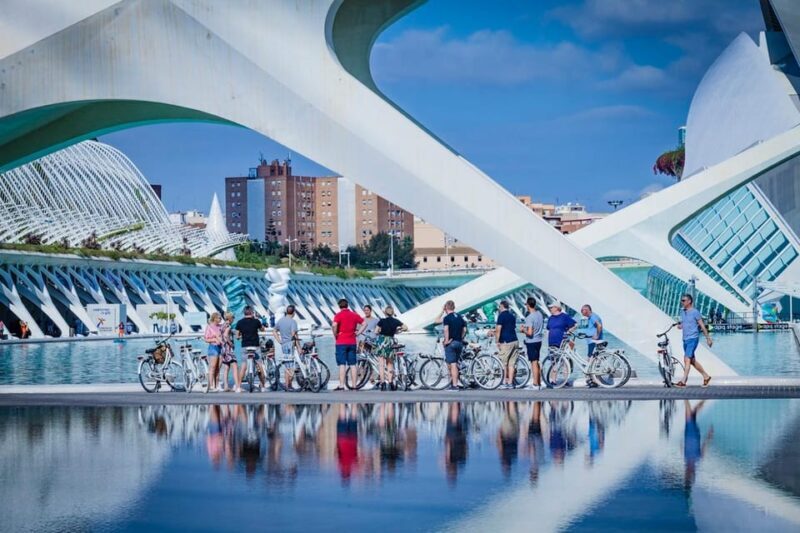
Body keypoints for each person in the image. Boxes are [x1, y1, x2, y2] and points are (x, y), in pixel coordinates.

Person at [675, 294, 713, 387]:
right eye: (682, 300)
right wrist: (681, 326)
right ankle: (706, 376)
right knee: (692, 360)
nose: (682, 302)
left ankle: (683, 381)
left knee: (686, 359)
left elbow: (702, 326)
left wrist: (708, 338)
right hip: (685, 339)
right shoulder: (682, 311)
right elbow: (685, 323)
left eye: (684, 300)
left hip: (693, 339)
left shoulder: (695, 312)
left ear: (689, 301)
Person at [332, 298, 363, 391]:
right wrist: (358, 333)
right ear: (347, 305)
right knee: (353, 364)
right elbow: (364, 323)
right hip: (352, 341)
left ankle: (341, 385)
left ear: (339, 306)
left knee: (342, 364)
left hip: (341, 342)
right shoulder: (354, 315)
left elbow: (334, 325)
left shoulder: (338, 315)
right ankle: (354, 386)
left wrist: (335, 334)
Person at [374, 306, 407, 390]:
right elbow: (405, 327)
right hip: (390, 341)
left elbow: (376, 331)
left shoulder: (382, 321)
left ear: (385, 313)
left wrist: (380, 332)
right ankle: (390, 382)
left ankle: (382, 383)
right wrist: (397, 330)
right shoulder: (396, 321)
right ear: (392, 313)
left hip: (382, 341)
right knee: (390, 363)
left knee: (381, 364)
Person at [236, 306, 267, 391]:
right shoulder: (256, 321)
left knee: (243, 366)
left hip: (245, 346)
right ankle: (263, 386)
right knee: (259, 365)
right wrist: (259, 322)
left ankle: (238, 387)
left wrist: (240, 336)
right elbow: (263, 330)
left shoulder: (240, 322)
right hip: (255, 346)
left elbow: (237, 336)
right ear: (252, 312)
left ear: (244, 313)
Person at [442, 300, 467, 391]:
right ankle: (455, 382)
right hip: (459, 342)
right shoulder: (460, 317)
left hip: (451, 343)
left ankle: (455, 385)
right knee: (455, 364)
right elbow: (464, 329)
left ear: (446, 308)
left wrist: (447, 340)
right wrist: (461, 337)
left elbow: (446, 330)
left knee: (452, 365)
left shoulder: (447, 318)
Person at [274, 305, 300, 391]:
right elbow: (294, 334)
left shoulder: (280, 321)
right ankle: (289, 385)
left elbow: (274, 331)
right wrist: (298, 346)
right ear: (294, 312)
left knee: (286, 364)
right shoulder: (293, 322)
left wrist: (279, 341)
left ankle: (287, 385)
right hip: (290, 344)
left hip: (284, 345)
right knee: (291, 365)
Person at [520, 297, 544, 389]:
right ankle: (538, 383)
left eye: (526, 304)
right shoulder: (539, 314)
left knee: (533, 362)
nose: (526, 306)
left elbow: (530, 333)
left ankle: (535, 384)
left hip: (531, 341)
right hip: (539, 340)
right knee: (537, 362)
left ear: (528, 305)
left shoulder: (529, 317)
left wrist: (523, 330)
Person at [495, 300, 518, 389]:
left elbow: (499, 329)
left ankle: (504, 382)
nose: (499, 309)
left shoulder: (501, 316)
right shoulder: (512, 316)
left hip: (506, 342)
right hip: (515, 340)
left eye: (499, 307)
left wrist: (497, 341)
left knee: (504, 363)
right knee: (511, 363)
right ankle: (510, 383)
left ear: (501, 306)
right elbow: (510, 328)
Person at [580, 304, 603, 388]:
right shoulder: (590, 317)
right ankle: (594, 380)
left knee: (590, 361)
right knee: (593, 361)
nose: (581, 312)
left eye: (582, 310)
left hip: (593, 342)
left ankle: (593, 380)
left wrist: (596, 335)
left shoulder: (593, 316)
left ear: (587, 310)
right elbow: (585, 328)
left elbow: (599, 326)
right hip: (591, 342)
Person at [219, 312, 239, 391]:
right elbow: (226, 335)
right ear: (230, 318)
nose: (233, 319)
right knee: (235, 367)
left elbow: (222, 334)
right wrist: (230, 343)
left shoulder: (223, 325)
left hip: (223, 349)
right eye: (233, 318)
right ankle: (237, 386)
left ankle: (226, 386)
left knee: (226, 367)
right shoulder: (228, 325)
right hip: (228, 349)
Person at [204, 312, 223, 392]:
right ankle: (211, 385)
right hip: (213, 347)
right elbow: (206, 339)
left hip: (221, 348)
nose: (220, 319)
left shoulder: (220, 327)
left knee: (218, 368)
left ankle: (217, 385)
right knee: (212, 367)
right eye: (219, 318)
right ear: (215, 318)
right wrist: (214, 339)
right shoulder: (209, 327)